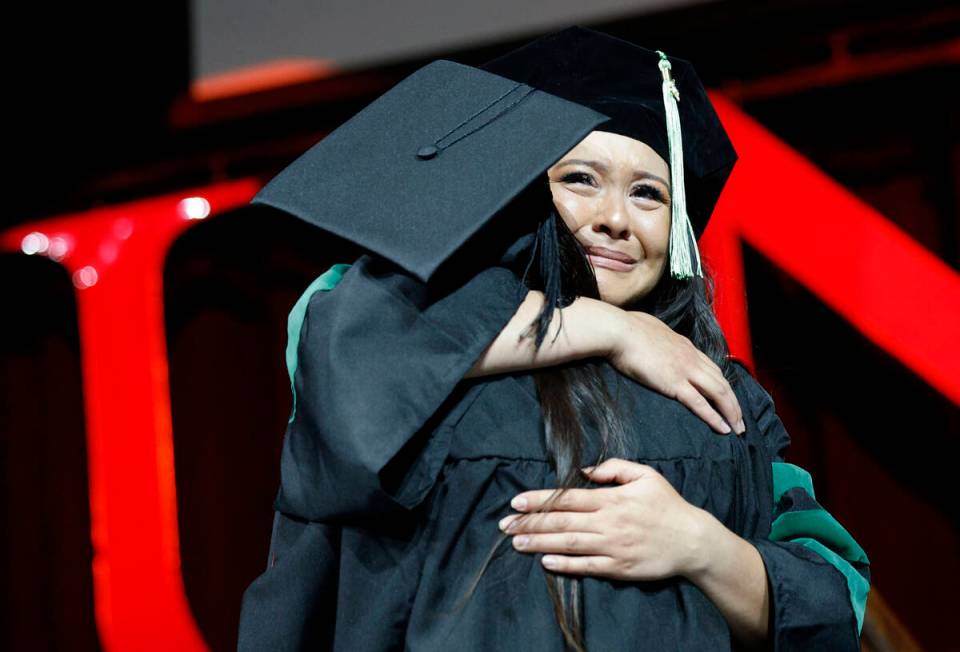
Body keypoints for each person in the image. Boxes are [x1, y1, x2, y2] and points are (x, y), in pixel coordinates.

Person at [237, 26, 869, 651]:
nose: (615, 220)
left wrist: (699, 546)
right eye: (580, 180)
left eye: (647, 194)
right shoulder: (374, 316)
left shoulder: (717, 396)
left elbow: (834, 598)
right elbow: (359, 363)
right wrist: (612, 329)